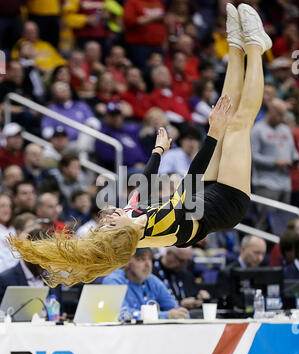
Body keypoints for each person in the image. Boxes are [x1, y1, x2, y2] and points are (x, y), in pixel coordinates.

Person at [9, 3, 273, 289]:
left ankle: (235, 45)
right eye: (110, 224)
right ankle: (258, 47)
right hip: (226, 204)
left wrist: (158, 152)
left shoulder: (131, 219)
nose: (108, 216)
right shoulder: (155, 227)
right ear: (121, 235)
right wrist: (212, 133)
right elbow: (191, 187)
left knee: (224, 110)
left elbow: (144, 187)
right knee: (236, 124)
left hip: (203, 196)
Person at [251, 98, 299, 231]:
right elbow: (252, 156)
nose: (282, 118)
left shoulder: (285, 129)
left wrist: (296, 160)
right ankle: (256, 248)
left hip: (285, 184)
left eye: (284, 115)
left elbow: (292, 151)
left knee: (283, 225)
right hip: (266, 184)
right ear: (271, 111)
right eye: (279, 115)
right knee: (264, 223)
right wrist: (274, 161)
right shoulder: (257, 130)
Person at [102, 248, 189, 319]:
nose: (148, 264)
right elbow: (122, 315)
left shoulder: (153, 281)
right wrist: (166, 315)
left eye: (149, 259)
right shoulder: (113, 280)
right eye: (141, 259)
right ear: (126, 261)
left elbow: (175, 309)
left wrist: (181, 314)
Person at [0, 228, 62, 305]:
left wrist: (62, 316)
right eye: (41, 257)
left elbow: (59, 310)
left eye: (48, 258)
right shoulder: (5, 280)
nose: (45, 263)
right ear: (28, 253)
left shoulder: (54, 279)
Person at [216, 235, 267, 308]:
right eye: (256, 253)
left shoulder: (262, 273)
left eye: (263, 254)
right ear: (243, 249)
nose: (260, 258)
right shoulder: (227, 273)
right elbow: (225, 305)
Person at [152, 246, 210, 310]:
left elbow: (192, 293)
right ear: (168, 253)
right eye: (181, 260)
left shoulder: (186, 273)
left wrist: (199, 297)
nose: (184, 265)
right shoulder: (151, 273)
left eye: (187, 261)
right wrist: (180, 304)